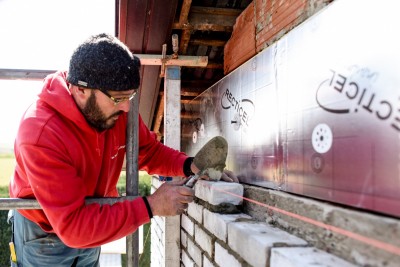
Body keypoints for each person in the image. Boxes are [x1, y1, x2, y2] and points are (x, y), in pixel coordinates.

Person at [8, 33, 237, 266]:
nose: (127, 107)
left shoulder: (114, 110)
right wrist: (152, 205)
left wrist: (189, 166)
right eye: (119, 98)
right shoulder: (41, 134)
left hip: (91, 216)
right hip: (44, 234)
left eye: (130, 96)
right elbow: (74, 226)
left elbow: (148, 151)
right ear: (80, 90)